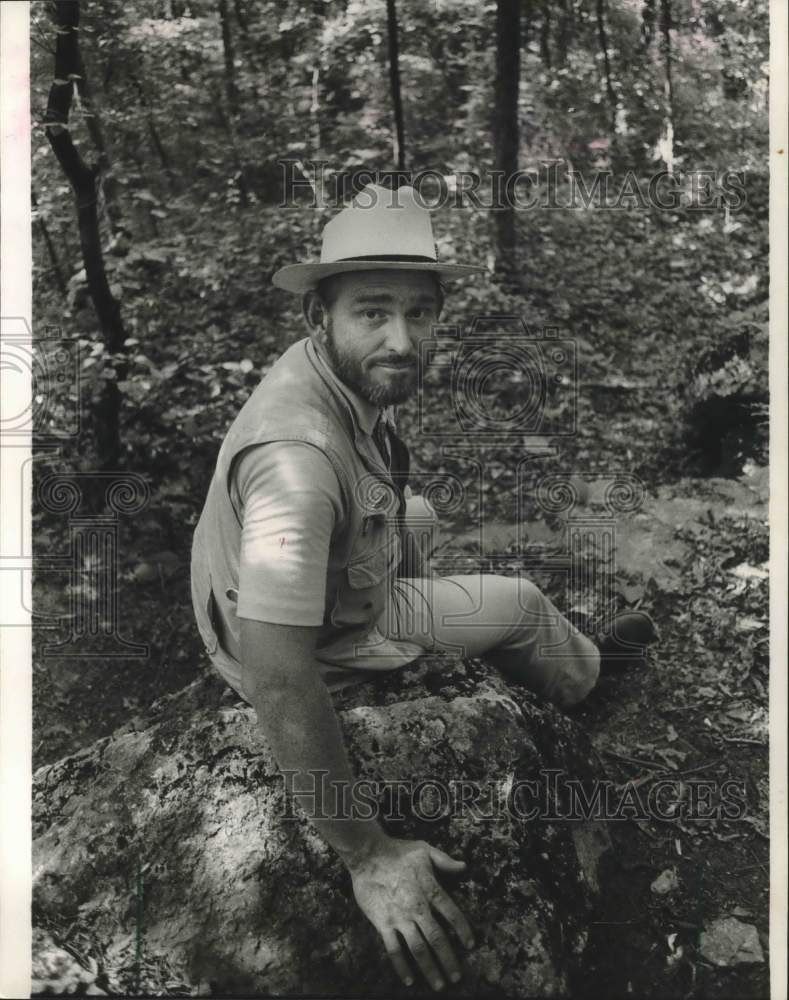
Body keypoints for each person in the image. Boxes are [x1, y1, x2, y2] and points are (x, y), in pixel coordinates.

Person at [190, 184, 652, 991]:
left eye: (419, 313)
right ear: (320, 316)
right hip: (315, 640)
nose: (401, 340)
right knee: (518, 602)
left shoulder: (321, 372)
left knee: (420, 513)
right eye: (372, 311)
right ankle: (583, 677)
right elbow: (278, 674)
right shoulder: (296, 466)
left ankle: (440, 651)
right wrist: (366, 855)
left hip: (295, 588)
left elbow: (361, 496)